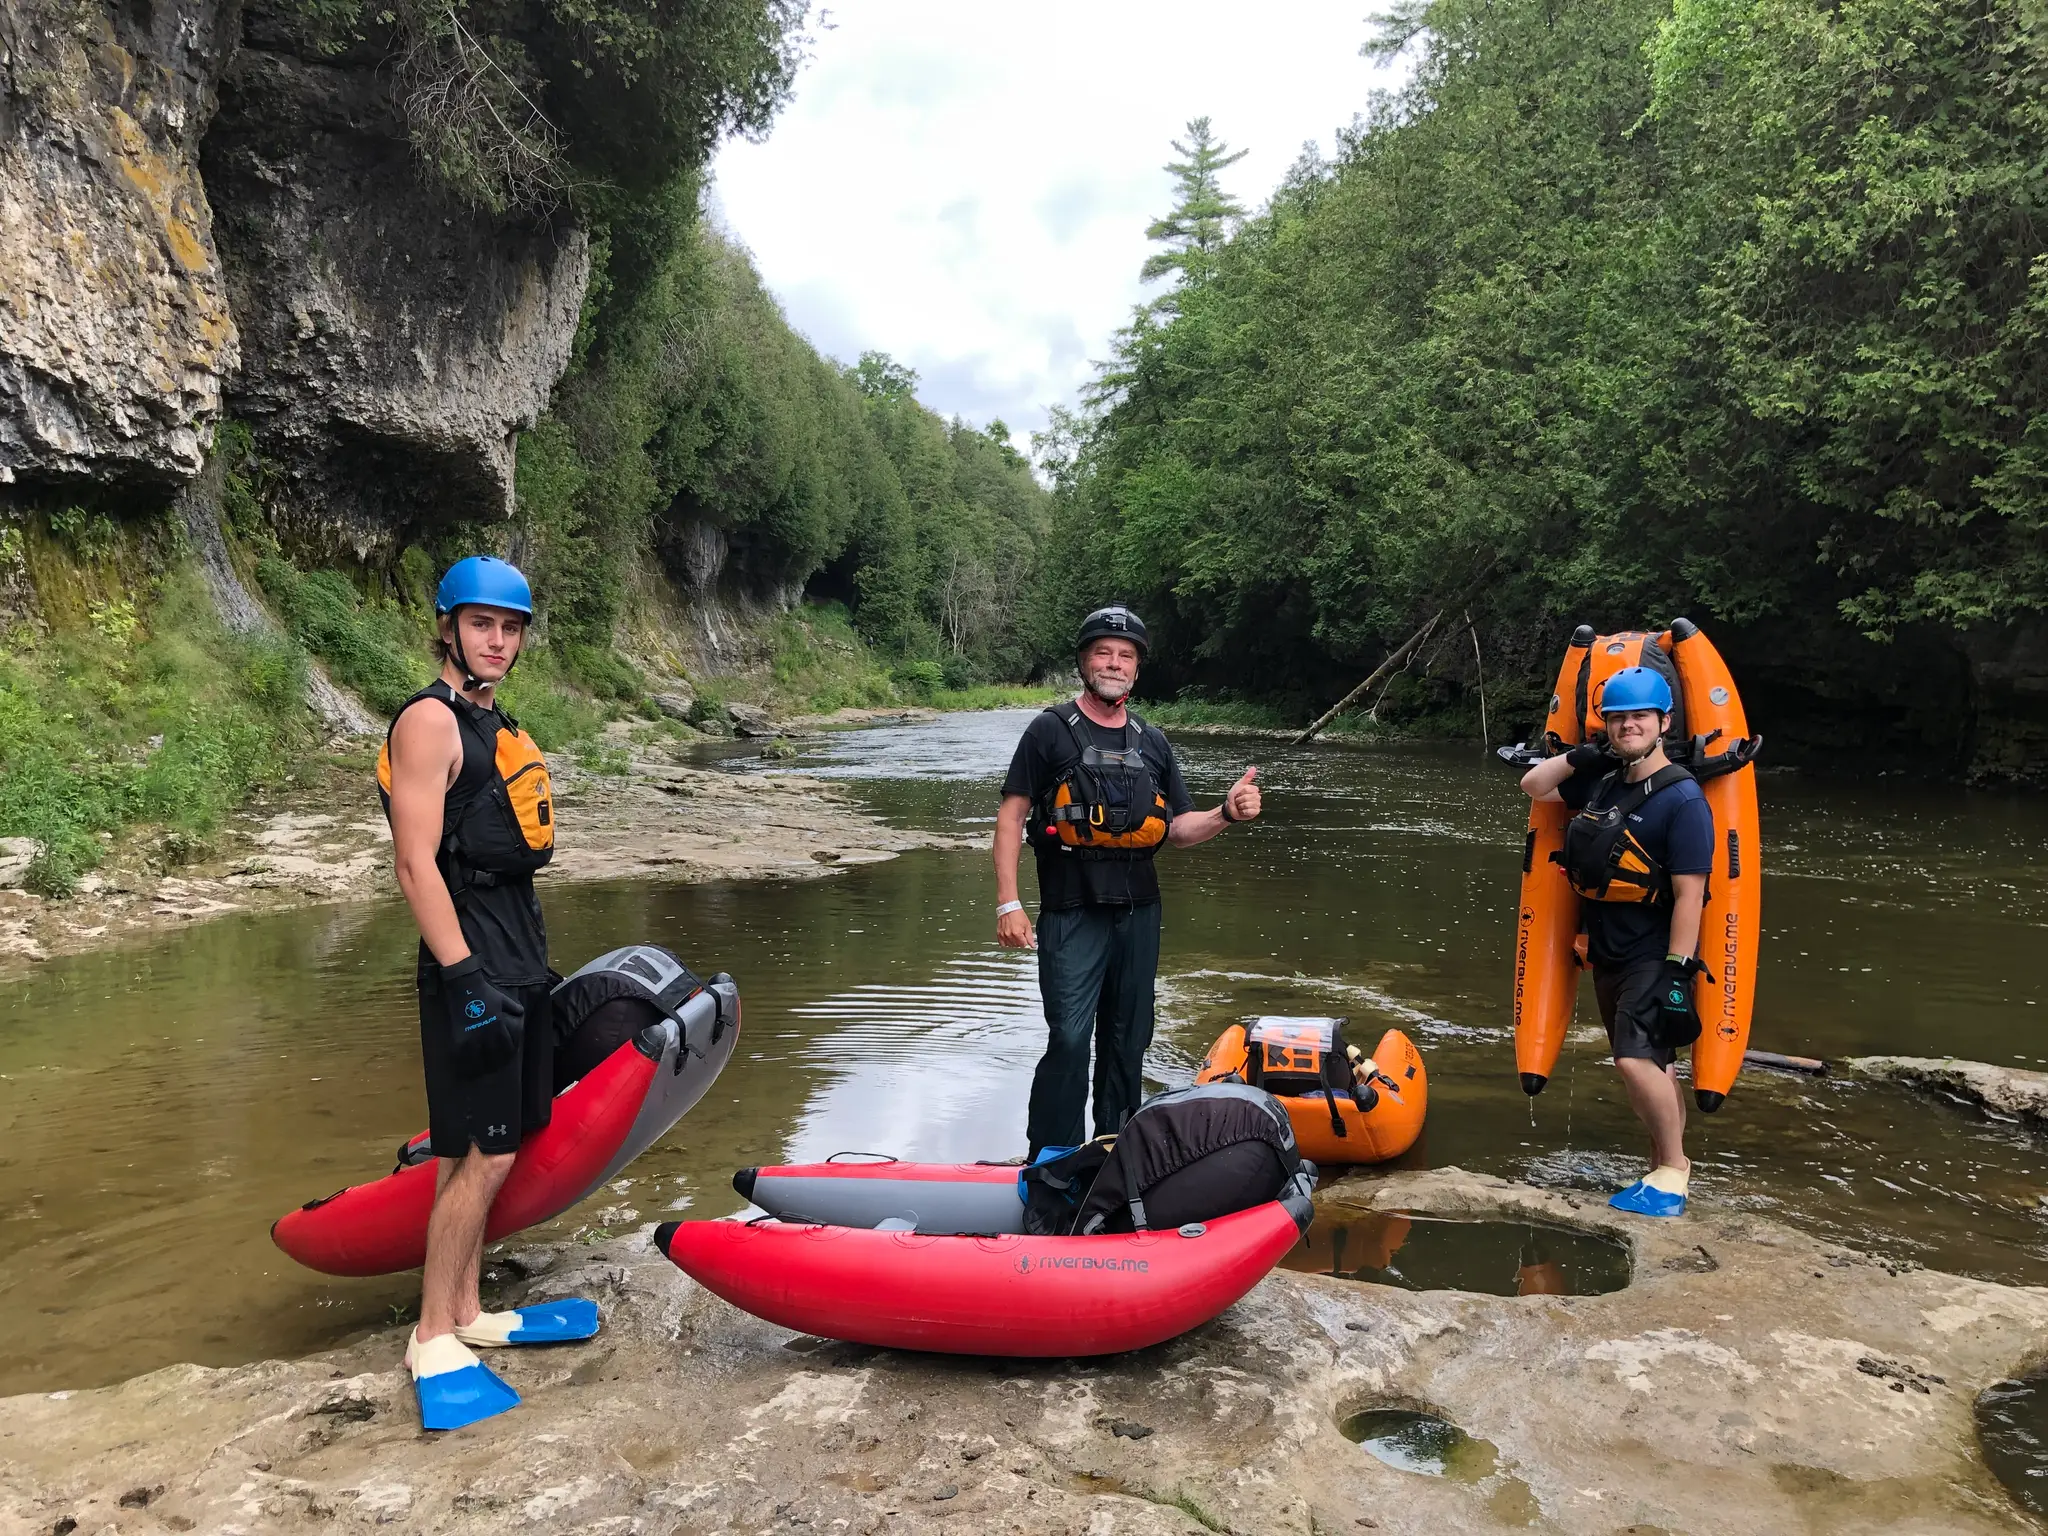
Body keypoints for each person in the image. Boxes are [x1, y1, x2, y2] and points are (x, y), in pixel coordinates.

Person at [380, 555, 596, 1431]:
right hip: (468, 965)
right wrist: (466, 979)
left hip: (515, 954)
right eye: (481, 625)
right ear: (448, 627)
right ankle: (432, 1336)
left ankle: (467, 1312)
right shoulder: (430, 723)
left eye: (510, 628)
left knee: (491, 1144)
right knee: (481, 1155)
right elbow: (413, 861)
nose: (498, 641)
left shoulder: (488, 719)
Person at [994, 606, 1263, 1159]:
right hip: (1071, 912)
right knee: (1069, 1039)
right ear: (1084, 661)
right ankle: (1053, 1160)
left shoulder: (1154, 743)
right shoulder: (1048, 730)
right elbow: (1011, 815)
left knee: (1127, 1042)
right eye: (1103, 652)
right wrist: (1008, 903)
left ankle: (1116, 1153)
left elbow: (1179, 829)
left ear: (1136, 671)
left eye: (1126, 656)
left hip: (1140, 914)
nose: (1114, 663)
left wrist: (1226, 814)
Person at [1519, 665, 1714, 1218]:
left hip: (1655, 954)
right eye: (1618, 718)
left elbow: (1690, 893)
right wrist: (1586, 753)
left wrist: (1679, 969)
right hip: (1606, 949)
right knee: (1655, 1061)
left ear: (1664, 722)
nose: (1629, 726)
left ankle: (1673, 1170)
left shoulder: (1683, 800)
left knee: (1632, 1061)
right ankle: (1664, 1165)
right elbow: (1534, 785)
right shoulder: (1603, 783)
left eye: (1639, 718)